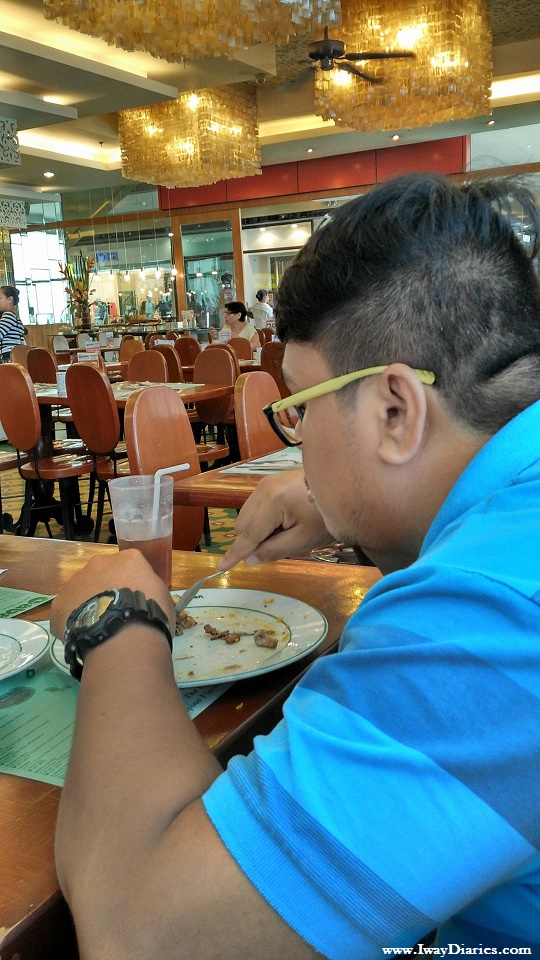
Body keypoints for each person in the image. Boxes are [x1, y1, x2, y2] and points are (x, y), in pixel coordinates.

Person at [51, 174, 540, 958]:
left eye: (302, 407)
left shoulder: (491, 615)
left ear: (394, 410)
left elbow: (144, 934)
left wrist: (116, 621)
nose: (298, 439)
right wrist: (363, 507)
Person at [0, 285, 25, 361]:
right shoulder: (15, 316)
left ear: (10, 299)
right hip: (18, 356)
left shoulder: (8, 315)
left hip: (8, 357)